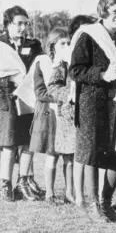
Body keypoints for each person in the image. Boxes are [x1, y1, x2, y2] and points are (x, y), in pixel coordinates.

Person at [69, 0, 116, 222]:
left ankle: (106, 202)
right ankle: (93, 205)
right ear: (103, 11)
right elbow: (74, 70)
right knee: (92, 153)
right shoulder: (88, 34)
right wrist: (102, 74)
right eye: (115, 12)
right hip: (92, 102)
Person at [26, 28, 75, 205]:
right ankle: (50, 193)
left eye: (69, 43)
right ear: (53, 45)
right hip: (50, 114)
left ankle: (70, 192)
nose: (67, 46)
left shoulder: (70, 64)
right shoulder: (43, 62)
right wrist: (63, 96)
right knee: (52, 155)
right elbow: (40, 92)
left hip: (67, 115)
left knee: (70, 155)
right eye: (63, 43)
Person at [0, 5, 44, 202]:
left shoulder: (34, 45)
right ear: (8, 24)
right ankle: (5, 184)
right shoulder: (1, 44)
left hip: (30, 95)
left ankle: (22, 183)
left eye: (26, 24)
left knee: (28, 141)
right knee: (9, 143)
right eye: (19, 24)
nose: (23, 28)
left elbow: (41, 67)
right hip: (7, 97)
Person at [66, 14, 97, 210]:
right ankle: (79, 197)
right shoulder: (68, 54)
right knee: (81, 154)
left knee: (90, 154)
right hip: (76, 105)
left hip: (88, 103)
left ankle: (94, 196)